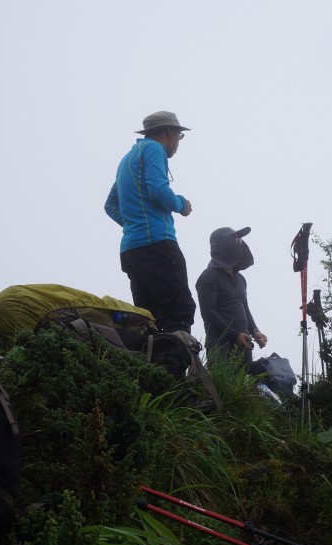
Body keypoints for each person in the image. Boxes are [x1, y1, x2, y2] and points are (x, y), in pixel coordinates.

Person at [104, 111, 196, 333]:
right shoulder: (154, 149)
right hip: (158, 245)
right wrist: (182, 204)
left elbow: (110, 205)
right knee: (179, 310)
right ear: (169, 132)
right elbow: (158, 190)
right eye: (178, 137)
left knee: (148, 319)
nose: (177, 144)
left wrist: (132, 225)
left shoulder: (127, 159)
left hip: (131, 251)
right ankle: (173, 368)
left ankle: (151, 366)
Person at [196, 226, 268, 364]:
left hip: (244, 344)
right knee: (223, 385)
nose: (239, 242)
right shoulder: (209, 276)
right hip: (221, 346)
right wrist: (234, 335)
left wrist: (255, 330)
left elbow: (244, 308)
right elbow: (208, 313)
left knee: (244, 384)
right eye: (234, 238)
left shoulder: (240, 279)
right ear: (222, 245)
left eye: (239, 238)